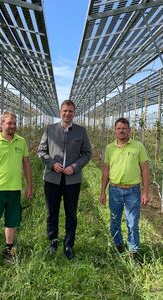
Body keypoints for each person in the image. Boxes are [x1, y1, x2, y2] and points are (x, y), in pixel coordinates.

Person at [37, 100, 92, 260]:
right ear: (60, 112)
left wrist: (74, 166)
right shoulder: (50, 130)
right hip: (52, 179)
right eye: (65, 111)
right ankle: (53, 241)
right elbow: (41, 150)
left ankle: (69, 244)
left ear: (74, 113)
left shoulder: (81, 132)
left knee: (71, 213)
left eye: (70, 111)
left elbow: (87, 153)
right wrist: (52, 164)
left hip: (72, 181)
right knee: (51, 212)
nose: (67, 114)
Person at [0, 111, 32, 269]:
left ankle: (9, 250)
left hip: (15, 189)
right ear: (1, 124)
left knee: (12, 222)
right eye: (9, 123)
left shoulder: (21, 142)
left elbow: (26, 165)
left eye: (14, 123)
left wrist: (29, 185)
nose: (12, 126)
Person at [99, 117, 149, 259]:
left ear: (129, 130)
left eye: (124, 128)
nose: (121, 131)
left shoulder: (138, 146)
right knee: (115, 220)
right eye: (118, 128)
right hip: (114, 190)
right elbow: (106, 171)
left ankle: (134, 251)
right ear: (115, 130)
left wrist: (145, 192)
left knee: (132, 223)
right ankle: (118, 246)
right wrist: (102, 191)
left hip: (133, 190)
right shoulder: (109, 148)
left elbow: (145, 169)